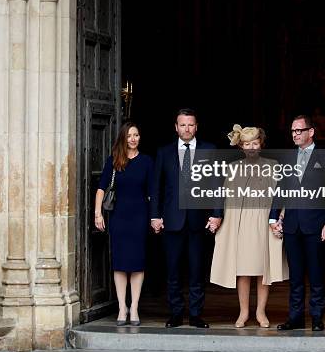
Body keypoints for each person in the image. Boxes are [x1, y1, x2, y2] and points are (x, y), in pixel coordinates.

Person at [150, 109, 222, 328]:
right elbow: (157, 187)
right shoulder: (164, 152)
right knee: (172, 270)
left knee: (197, 270)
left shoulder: (209, 150)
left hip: (199, 221)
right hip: (171, 220)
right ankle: (176, 314)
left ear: (196, 127)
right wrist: (155, 215)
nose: (187, 129)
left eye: (190, 125)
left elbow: (217, 185)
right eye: (183, 125)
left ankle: (196, 314)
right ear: (176, 127)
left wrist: (217, 214)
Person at [210, 125, 288, 328]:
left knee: (263, 270)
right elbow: (223, 197)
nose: (252, 147)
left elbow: (281, 197)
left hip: (264, 221)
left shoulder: (274, 166)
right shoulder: (233, 168)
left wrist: (279, 219)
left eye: (255, 143)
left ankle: (261, 312)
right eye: (247, 144)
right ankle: (244, 312)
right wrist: (217, 218)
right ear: (241, 147)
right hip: (241, 221)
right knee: (243, 270)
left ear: (261, 144)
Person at [270, 115, 325, 332]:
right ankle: (295, 318)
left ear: (311, 132)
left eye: (300, 130)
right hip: (292, 226)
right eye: (293, 131)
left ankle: (317, 318)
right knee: (296, 277)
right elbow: (280, 189)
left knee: (316, 274)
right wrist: (273, 217)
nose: (296, 134)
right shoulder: (288, 158)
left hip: (316, 225)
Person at [95, 122, 153, 326]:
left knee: (137, 264)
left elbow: (152, 192)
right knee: (120, 265)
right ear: (123, 138)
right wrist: (97, 213)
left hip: (139, 217)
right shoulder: (114, 160)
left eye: (136, 135)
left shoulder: (147, 162)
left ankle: (134, 307)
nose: (133, 139)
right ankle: (122, 307)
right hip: (119, 217)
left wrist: (155, 216)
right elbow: (101, 188)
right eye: (129, 135)